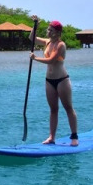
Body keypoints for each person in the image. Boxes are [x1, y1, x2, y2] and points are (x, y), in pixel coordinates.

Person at [29, 16, 79, 146]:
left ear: (57, 32)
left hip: (62, 80)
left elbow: (51, 60)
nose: (48, 32)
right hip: (49, 80)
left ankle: (74, 137)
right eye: (48, 30)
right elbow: (32, 38)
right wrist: (35, 26)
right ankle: (51, 137)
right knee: (53, 109)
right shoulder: (47, 42)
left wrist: (35, 58)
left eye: (51, 30)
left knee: (68, 108)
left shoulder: (61, 45)